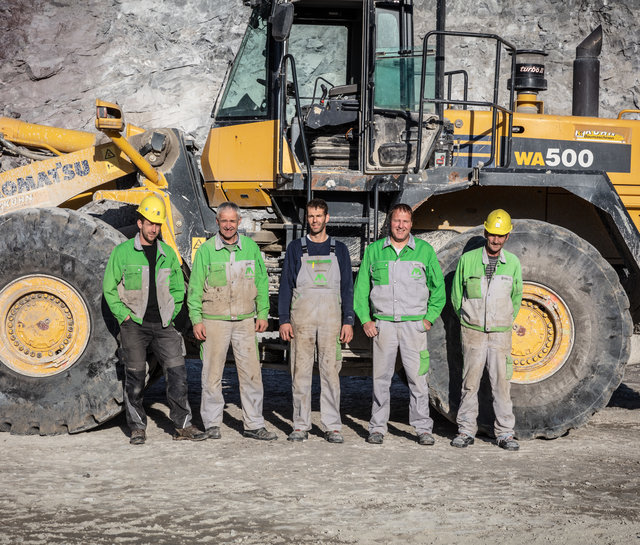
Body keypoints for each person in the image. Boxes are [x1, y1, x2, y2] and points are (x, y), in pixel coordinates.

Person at [103, 194, 205, 445]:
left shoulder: (167, 253)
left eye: (158, 224)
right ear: (140, 223)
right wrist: (124, 316)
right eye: (150, 223)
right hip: (134, 326)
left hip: (163, 326)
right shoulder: (123, 252)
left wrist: (171, 312)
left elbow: (178, 287)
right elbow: (109, 288)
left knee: (178, 374)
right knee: (135, 378)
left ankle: (183, 425)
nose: (154, 228)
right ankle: (137, 427)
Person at [353, 203, 445, 445]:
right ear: (390, 223)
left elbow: (439, 289)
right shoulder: (374, 251)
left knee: (418, 379)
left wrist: (428, 319)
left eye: (405, 221)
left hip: (413, 326)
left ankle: (423, 428)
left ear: (411, 224)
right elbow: (361, 289)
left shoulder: (424, 251)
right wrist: (365, 320)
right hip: (383, 327)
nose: (401, 225)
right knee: (381, 379)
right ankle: (377, 428)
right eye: (396, 221)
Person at [187, 201, 277, 441]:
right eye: (224, 221)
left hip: (245, 321)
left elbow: (261, 281)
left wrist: (262, 313)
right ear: (217, 222)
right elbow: (194, 288)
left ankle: (254, 424)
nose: (228, 225)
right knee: (211, 374)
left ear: (239, 222)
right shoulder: (206, 251)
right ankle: (212, 423)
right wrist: (197, 319)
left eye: (232, 221)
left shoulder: (250, 248)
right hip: (214, 321)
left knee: (250, 374)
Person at [278, 199, 355, 443]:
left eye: (319, 215)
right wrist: (283, 320)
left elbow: (347, 288)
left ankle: (332, 426)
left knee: (330, 373)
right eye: (311, 216)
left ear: (327, 218)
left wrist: (348, 320)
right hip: (302, 320)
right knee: (300, 372)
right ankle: (300, 425)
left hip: (331, 321)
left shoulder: (339, 249)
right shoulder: (295, 248)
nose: (315, 220)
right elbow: (285, 287)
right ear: (306, 219)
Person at [450, 209, 523, 451]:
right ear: (485, 232)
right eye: (492, 234)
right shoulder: (468, 260)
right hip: (472, 331)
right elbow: (456, 297)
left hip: (500, 333)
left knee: (501, 383)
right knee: (470, 382)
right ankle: (465, 430)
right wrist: (469, 319)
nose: (496, 240)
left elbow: (516, 297)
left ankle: (504, 433)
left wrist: (501, 320)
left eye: (501, 236)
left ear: (507, 237)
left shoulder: (512, 263)